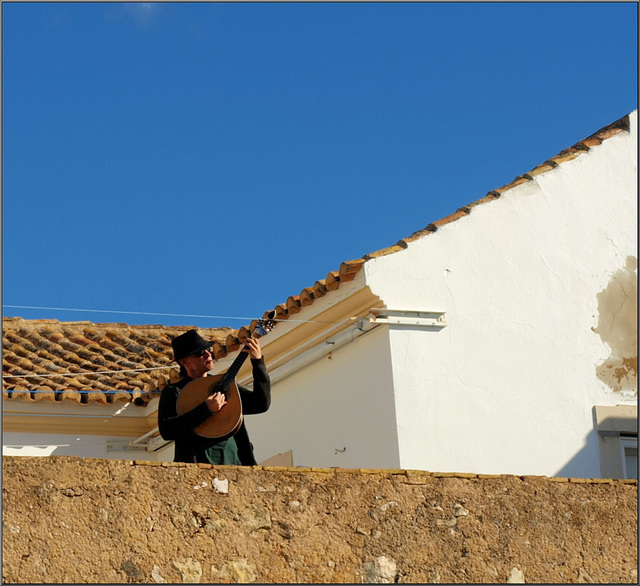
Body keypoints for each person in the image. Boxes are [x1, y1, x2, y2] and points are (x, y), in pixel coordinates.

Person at [158, 329, 270, 465]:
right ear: (185, 362)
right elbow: (167, 430)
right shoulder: (174, 392)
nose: (208, 354)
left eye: (208, 349)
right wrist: (206, 409)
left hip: (235, 462)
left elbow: (260, 404)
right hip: (197, 464)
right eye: (200, 353)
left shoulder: (224, 383)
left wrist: (258, 363)